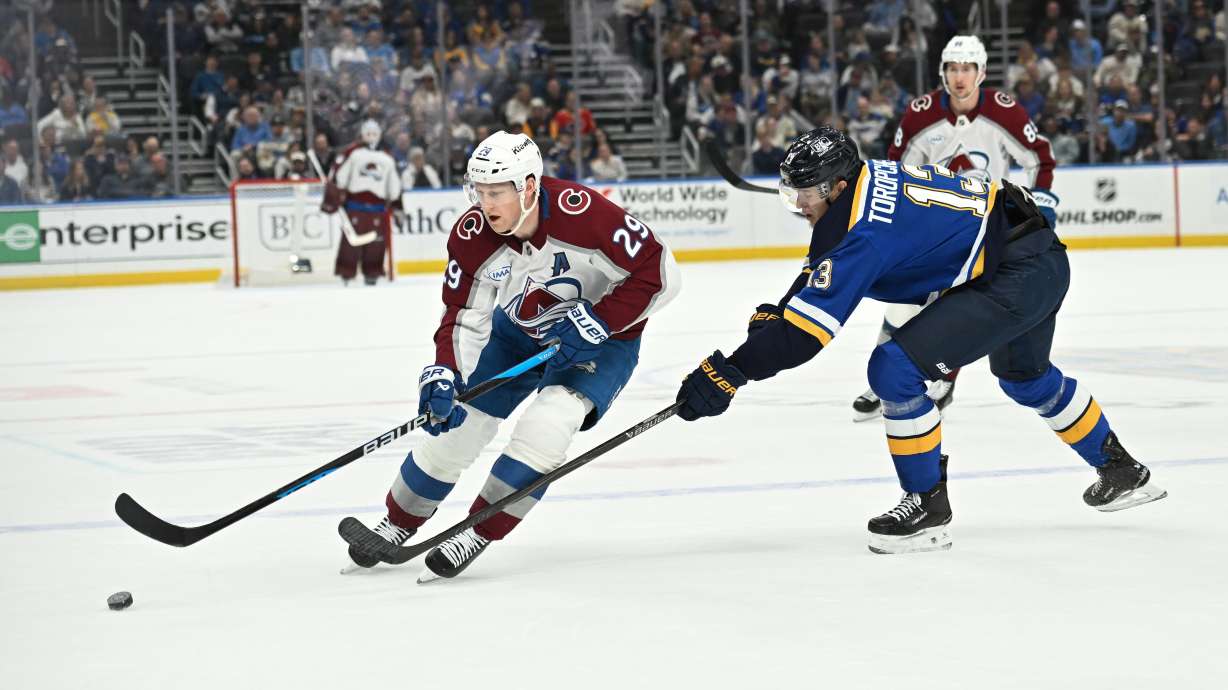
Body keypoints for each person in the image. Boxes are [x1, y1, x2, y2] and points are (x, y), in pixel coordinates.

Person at [674, 127, 1166, 554]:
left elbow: (805, 336)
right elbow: (821, 264)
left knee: (893, 370)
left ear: (839, 185)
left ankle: (928, 504)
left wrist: (729, 372)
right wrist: (781, 310)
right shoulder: (863, 183)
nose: (799, 204)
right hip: (1034, 257)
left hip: (1017, 271)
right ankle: (1122, 471)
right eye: (792, 193)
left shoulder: (864, 229)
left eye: (807, 193)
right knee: (1025, 378)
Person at [343, 130, 680, 581]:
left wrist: (601, 320)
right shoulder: (473, 233)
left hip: (602, 341)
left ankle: (478, 531)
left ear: (529, 186)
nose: (486, 204)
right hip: (517, 333)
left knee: (548, 425)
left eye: (497, 192)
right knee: (459, 423)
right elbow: (463, 314)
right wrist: (446, 372)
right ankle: (397, 522)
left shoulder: (586, 216)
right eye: (479, 191)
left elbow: (660, 273)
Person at [850, 35, 1060, 422]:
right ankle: (883, 381)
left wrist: (1040, 203)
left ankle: (941, 382)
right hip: (936, 223)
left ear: (981, 72)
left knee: (960, 305)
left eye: (966, 68)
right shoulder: (919, 113)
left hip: (990, 227)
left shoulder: (1006, 111)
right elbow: (899, 170)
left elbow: (1040, 160)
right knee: (906, 298)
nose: (959, 76)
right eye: (952, 68)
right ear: (942, 72)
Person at [320, 120, 402, 286]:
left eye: (373, 134)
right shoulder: (383, 158)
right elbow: (394, 191)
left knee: (365, 243)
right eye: (368, 133)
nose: (371, 137)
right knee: (366, 243)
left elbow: (341, 179)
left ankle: (350, 273)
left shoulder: (358, 154)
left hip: (359, 209)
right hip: (366, 209)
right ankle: (360, 273)